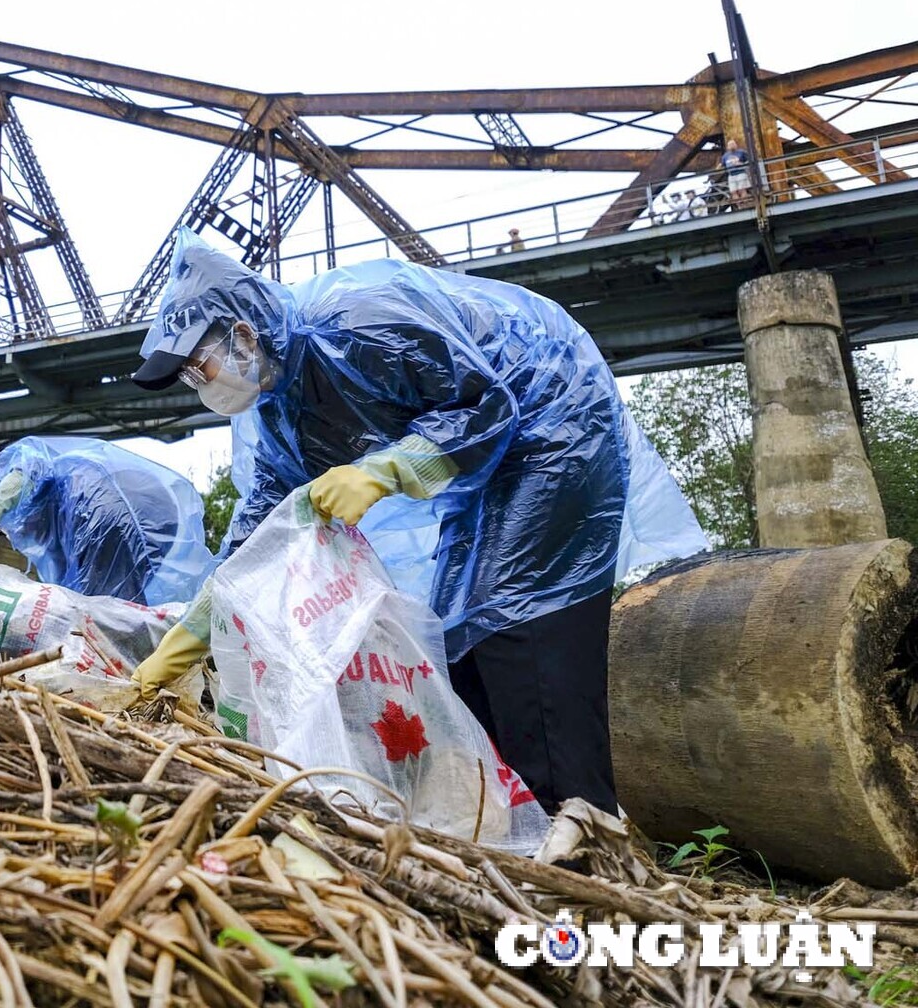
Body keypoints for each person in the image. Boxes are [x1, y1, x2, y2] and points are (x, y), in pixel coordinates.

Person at [126, 230, 705, 812]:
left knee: (518, 630)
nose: (201, 386)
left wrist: (384, 471)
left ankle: (581, 826)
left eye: (199, 367)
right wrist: (180, 645)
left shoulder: (357, 321)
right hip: (488, 468)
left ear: (242, 334)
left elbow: (489, 404)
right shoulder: (276, 411)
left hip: (554, 428)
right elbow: (262, 539)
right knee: (459, 641)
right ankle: (513, 825)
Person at [0, 436, 215, 607]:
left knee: (97, 610)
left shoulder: (41, 486)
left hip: (102, 506)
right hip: (157, 507)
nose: (15, 536)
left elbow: (30, 467)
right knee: (122, 607)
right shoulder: (58, 525)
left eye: (6, 529)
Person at [721, 144, 753, 209]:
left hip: (741, 173)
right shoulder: (725, 156)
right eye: (730, 145)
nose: (731, 146)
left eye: (733, 144)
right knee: (733, 192)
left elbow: (749, 159)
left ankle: (745, 204)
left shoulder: (741, 152)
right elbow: (722, 164)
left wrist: (742, 164)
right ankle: (739, 206)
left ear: (736, 145)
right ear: (727, 147)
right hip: (731, 175)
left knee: (742, 190)